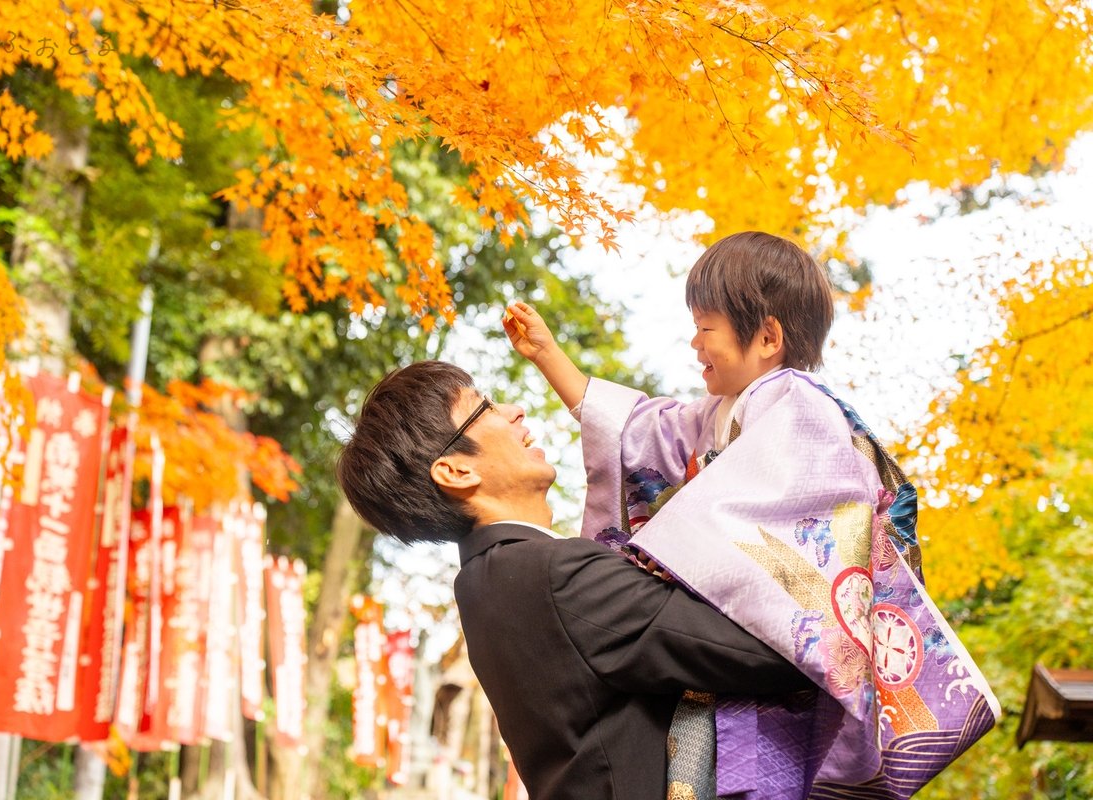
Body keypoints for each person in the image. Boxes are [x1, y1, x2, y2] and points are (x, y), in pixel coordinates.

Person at [503, 231, 1000, 798]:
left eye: (705, 327)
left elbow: (785, 516)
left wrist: (653, 564)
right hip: (741, 640)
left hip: (787, 638)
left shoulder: (800, 405)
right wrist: (548, 354)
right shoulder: (720, 415)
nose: (694, 343)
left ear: (766, 336)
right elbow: (635, 435)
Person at [336, 359, 815, 800]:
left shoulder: (486, 584)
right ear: (456, 471)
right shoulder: (549, 576)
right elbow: (773, 650)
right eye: (483, 408)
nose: (514, 411)